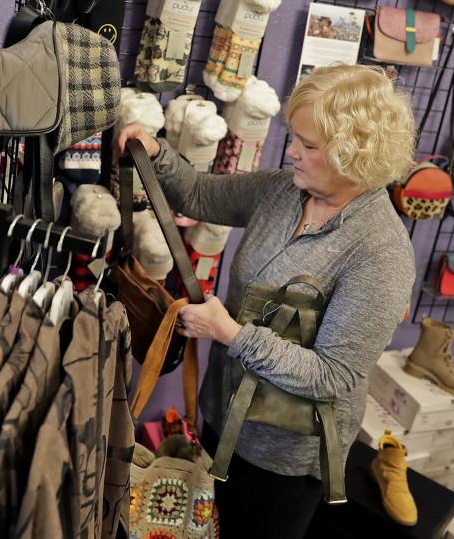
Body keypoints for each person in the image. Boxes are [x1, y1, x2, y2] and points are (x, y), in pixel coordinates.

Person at [117, 64, 416, 538]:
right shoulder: (283, 192)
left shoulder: (380, 252)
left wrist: (230, 333)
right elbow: (197, 193)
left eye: (309, 145)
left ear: (354, 153)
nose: (292, 152)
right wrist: (155, 152)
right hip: (222, 418)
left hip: (285, 461)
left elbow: (333, 376)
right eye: (294, 137)